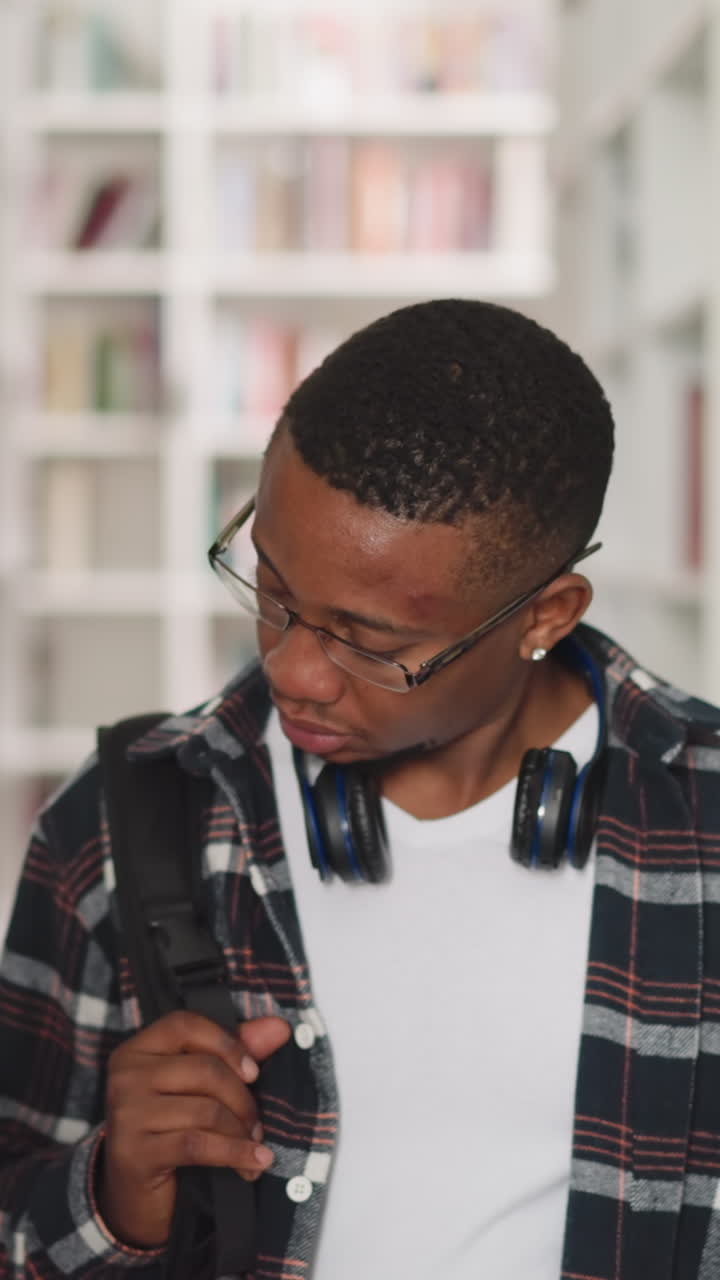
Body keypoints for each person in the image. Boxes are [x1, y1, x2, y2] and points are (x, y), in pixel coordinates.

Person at [1, 298, 719, 1280]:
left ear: (544, 613)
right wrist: (114, 1196)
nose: (295, 671)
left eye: (370, 643)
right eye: (273, 591)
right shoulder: (123, 822)